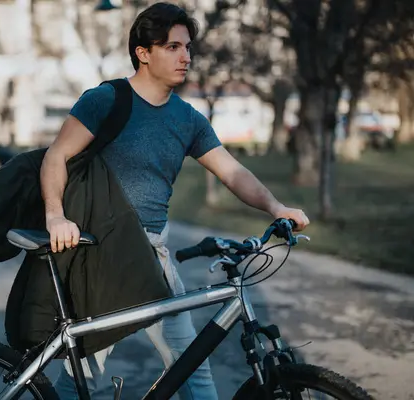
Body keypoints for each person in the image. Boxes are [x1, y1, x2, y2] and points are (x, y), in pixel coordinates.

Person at [40, 2, 310, 399]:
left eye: (187, 47)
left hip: (155, 255)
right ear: (143, 53)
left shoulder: (187, 119)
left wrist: (275, 207)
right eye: (172, 47)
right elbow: (56, 156)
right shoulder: (106, 100)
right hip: (104, 257)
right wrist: (55, 216)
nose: (186, 56)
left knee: (192, 371)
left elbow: (232, 172)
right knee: (85, 378)